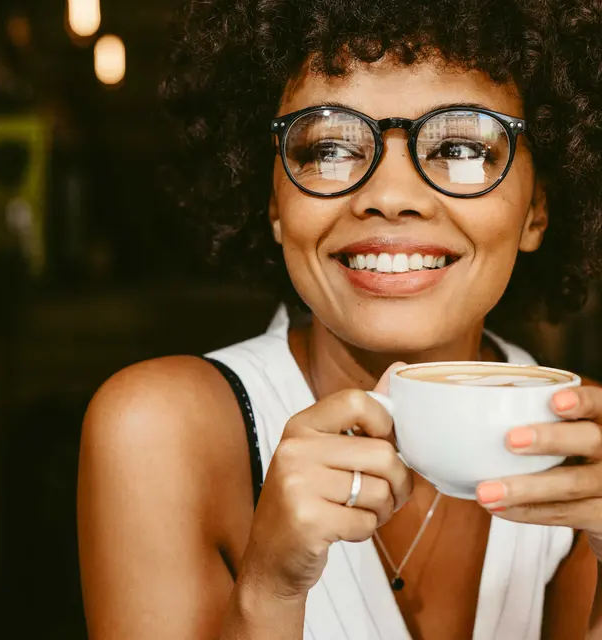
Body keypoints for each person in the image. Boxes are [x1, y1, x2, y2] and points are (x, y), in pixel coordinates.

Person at [77, 1, 602, 638]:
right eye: (330, 147)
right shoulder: (159, 431)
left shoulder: (579, 449)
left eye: (461, 147)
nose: (390, 196)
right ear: (273, 201)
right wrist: (269, 592)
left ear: (537, 210)